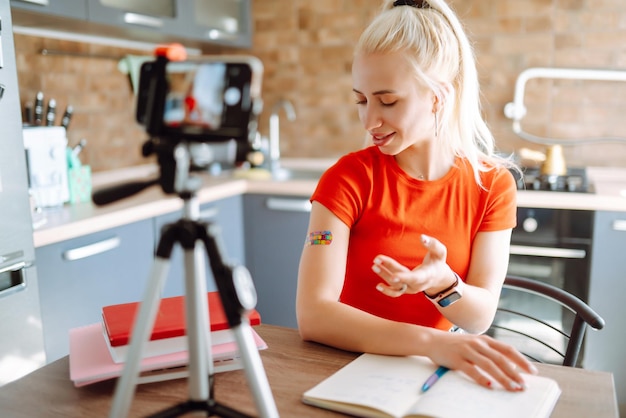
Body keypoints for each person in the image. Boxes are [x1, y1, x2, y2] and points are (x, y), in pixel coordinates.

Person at [296, 0, 537, 392]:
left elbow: (480, 317)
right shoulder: (346, 180)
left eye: (388, 101)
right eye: (361, 100)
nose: (369, 120)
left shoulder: (492, 184)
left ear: (438, 97)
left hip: (430, 381)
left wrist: (442, 282)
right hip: (343, 375)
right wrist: (433, 343)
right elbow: (313, 316)